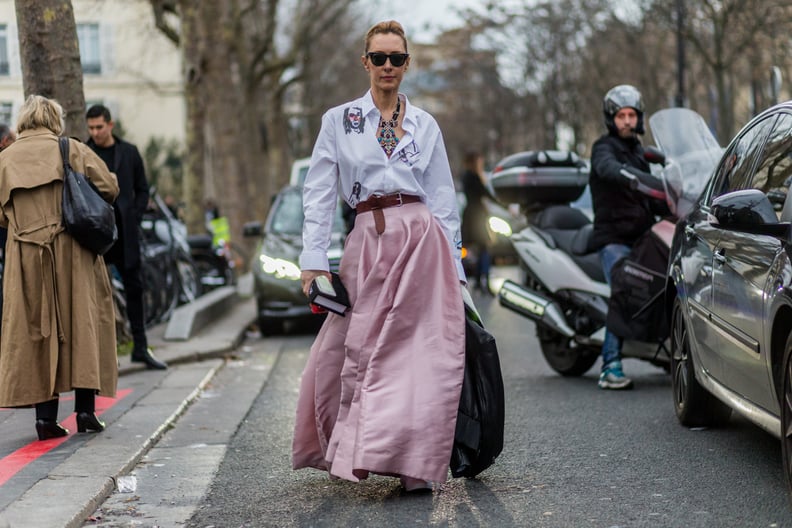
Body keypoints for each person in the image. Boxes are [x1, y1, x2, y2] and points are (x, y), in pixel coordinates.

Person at [292, 20, 467, 492]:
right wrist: (312, 261)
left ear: (407, 65)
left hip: (421, 244)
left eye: (397, 58)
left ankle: (414, 467)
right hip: (367, 243)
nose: (387, 66)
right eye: (379, 58)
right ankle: (341, 445)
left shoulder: (426, 125)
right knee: (347, 348)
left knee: (418, 355)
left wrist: (457, 270)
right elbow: (319, 193)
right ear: (364, 62)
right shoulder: (339, 120)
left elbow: (443, 201)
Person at [0, 95, 119, 440]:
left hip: (26, 257)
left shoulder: (5, 160)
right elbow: (109, 187)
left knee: (36, 332)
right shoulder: (70, 150)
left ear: (23, 121)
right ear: (54, 119)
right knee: (82, 325)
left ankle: (44, 420)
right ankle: (85, 412)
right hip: (73, 251)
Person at [589, 84, 669, 390]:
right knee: (625, 289)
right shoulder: (603, 148)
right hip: (613, 239)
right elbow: (608, 169)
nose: (626, 121)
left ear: (639, 118)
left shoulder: (640, 152)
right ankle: (610, 365)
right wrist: (632, 177)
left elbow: (654, 196)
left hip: (642, 237)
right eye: (621, 115)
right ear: (612, 119)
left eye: (631, 115)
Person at [86, 104, 167, 369]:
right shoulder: (84, 153)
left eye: (99, 127)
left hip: (126, 232)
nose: (95, 132)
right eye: (91, 128)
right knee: (94, 294)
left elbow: (143, 188)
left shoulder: (129, 152)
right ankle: (101, 356)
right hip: (97, 233)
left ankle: (140, 348)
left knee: (135, 287)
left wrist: (135, 213)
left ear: (110, 125)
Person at [460, 150, 493, 293]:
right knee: (484, 248)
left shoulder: (467, 176)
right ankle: (483, 280)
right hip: (477, 216)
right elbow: (486, 193)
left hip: (471, 215)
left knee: (476, 248)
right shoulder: (473, 177)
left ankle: (479, 280)